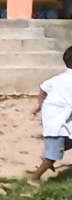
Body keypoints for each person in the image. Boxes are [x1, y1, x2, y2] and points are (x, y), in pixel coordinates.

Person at [31, 46, 72, 181]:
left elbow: (43, 88)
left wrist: (40, 105)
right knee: (52, 156)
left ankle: (48, 155)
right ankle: (34, 178)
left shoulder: (59, 78)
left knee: (61, 145)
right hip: (58, 122)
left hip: (54, 118)